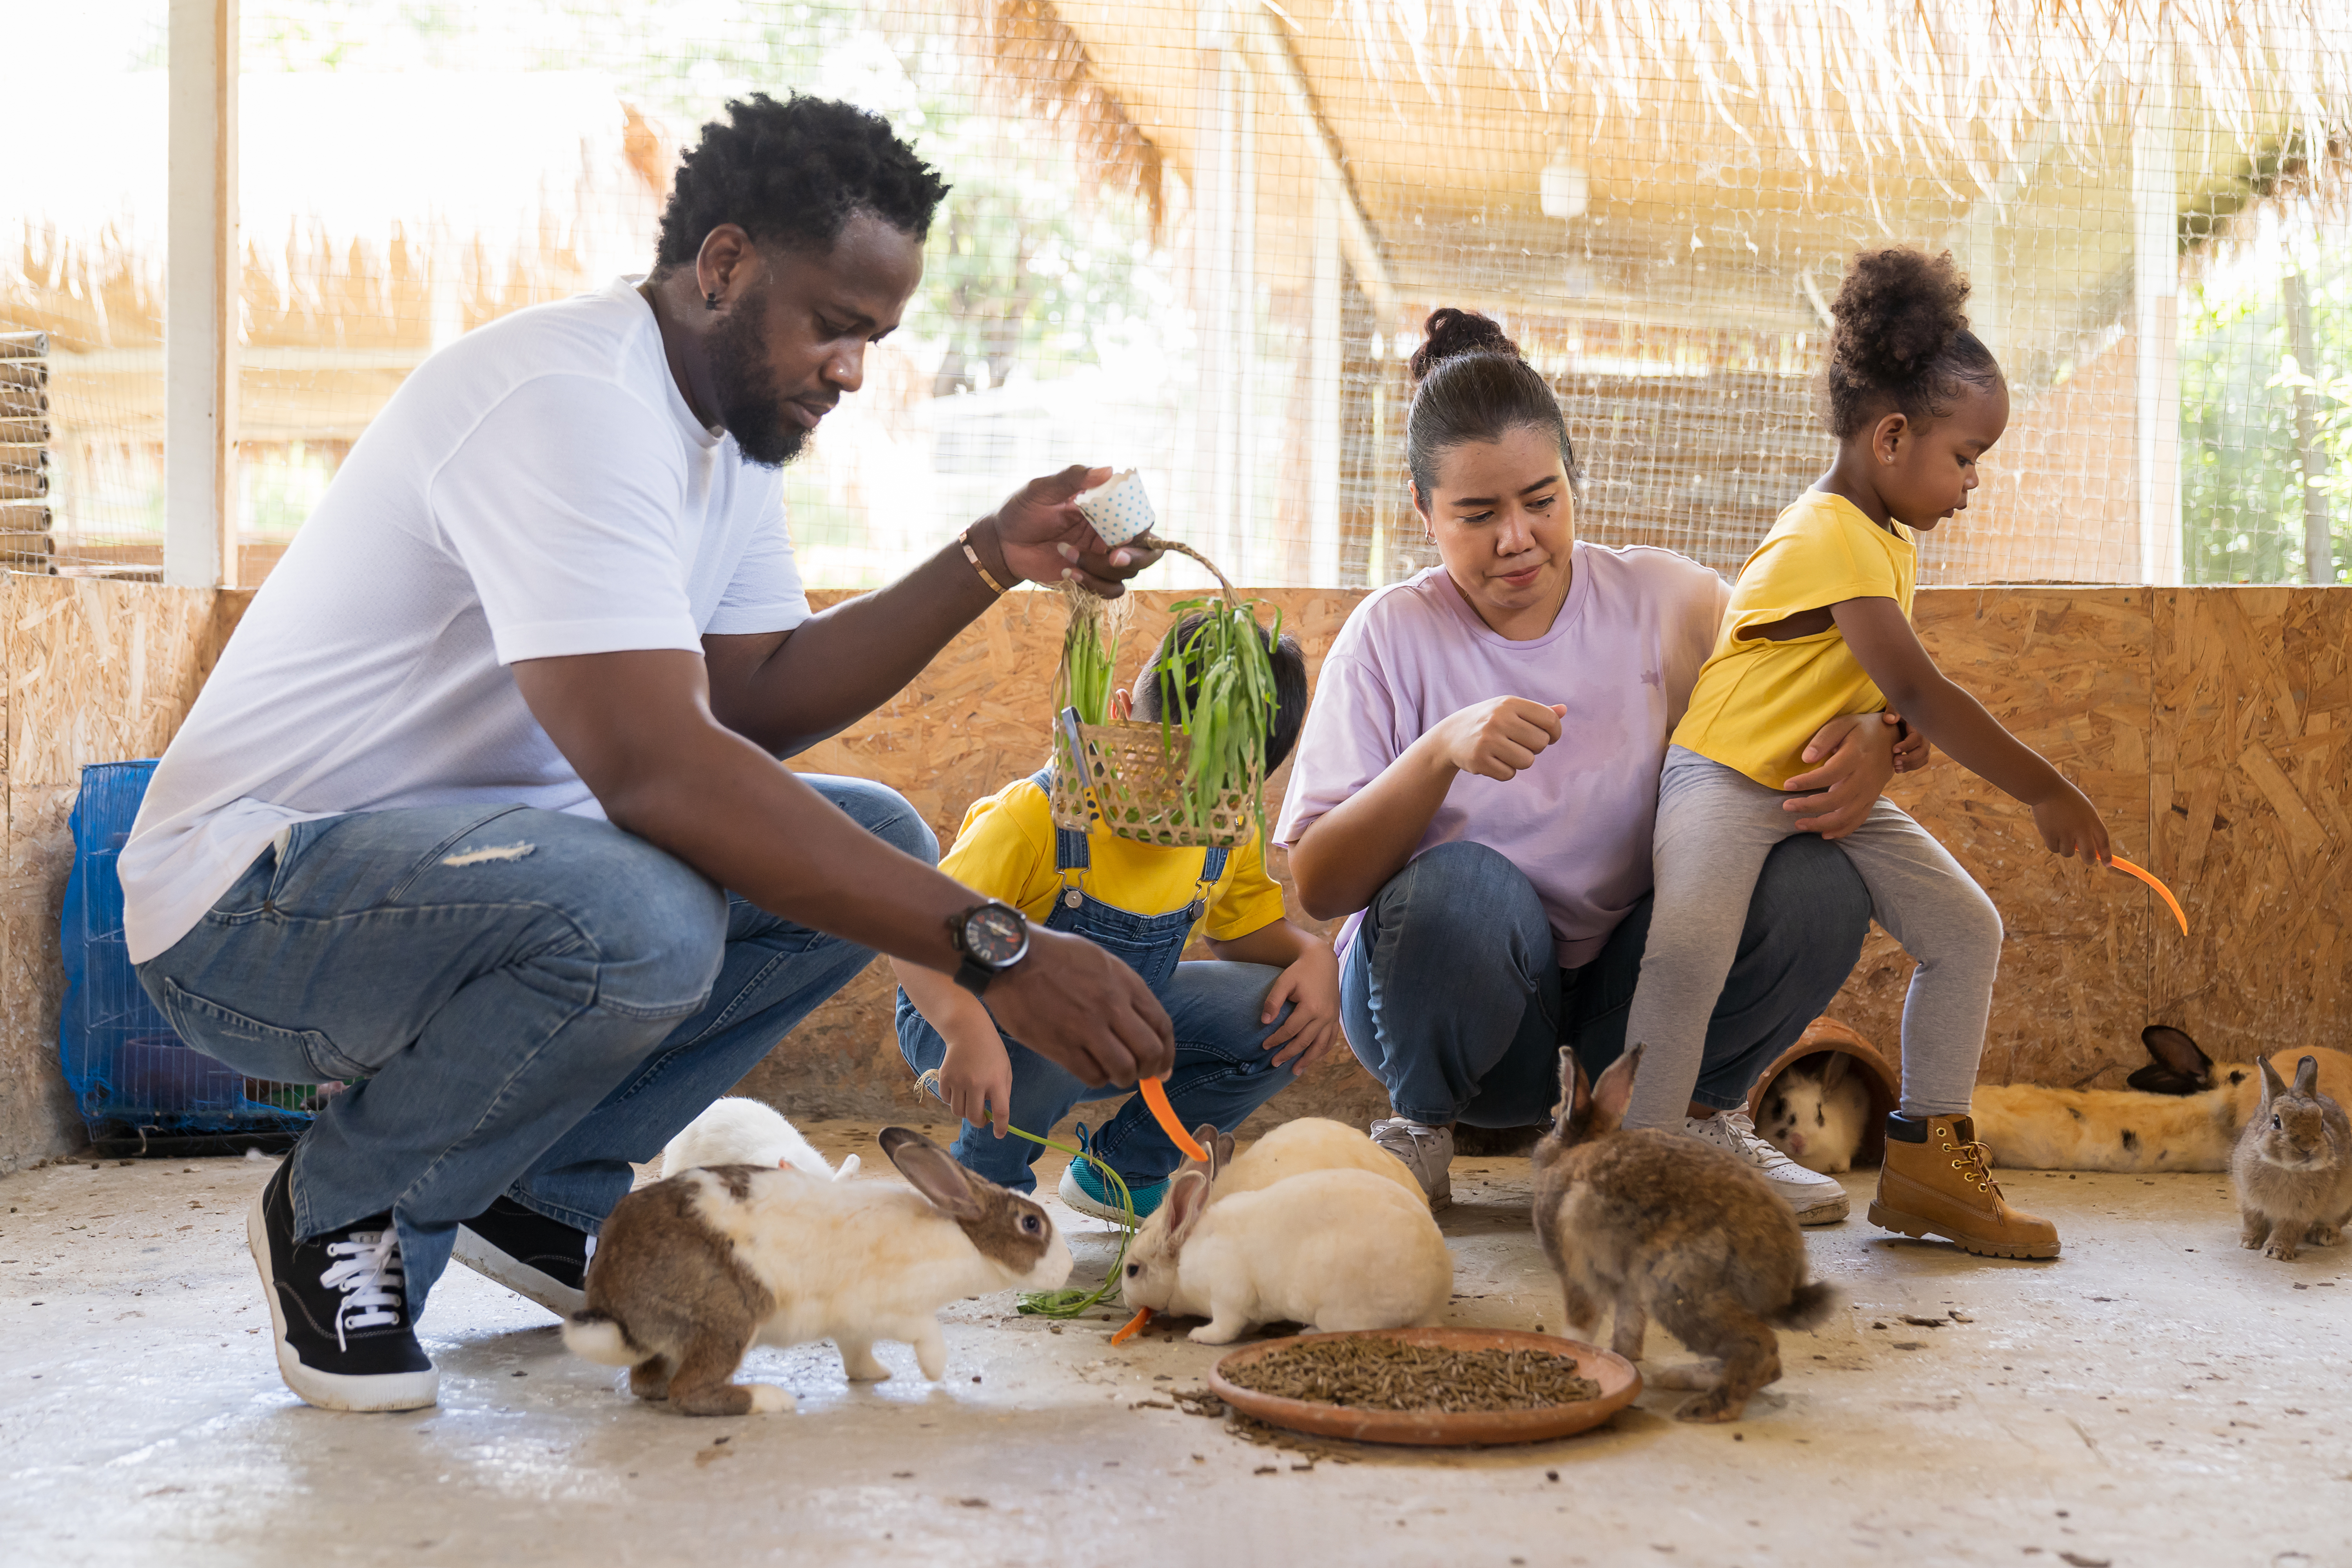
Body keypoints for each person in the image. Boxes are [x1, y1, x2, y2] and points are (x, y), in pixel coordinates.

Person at [120, 94, 1176, 1414]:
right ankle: (348, 1207)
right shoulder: (570, 401)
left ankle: (539, 1182)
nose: (853, 368)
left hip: (471, 886)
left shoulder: (732, 443)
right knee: (647, 914)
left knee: (875, 844)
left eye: (875, 337)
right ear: (724, 265)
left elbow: (754, 701)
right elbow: (657, 772)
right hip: (255, 903)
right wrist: (992, 944)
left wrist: (987, 562)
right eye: (834, 324)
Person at [1279, 308, 1920, 1220]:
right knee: (1459, 886)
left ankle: (1695, 1121)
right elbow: (1320, 880)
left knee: (1821, 877)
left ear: (1576, 481)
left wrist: (1880, 733)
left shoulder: (1669, 601)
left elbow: (1822, 669)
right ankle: (1418, 1134)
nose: (1517, 538)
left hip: (1638, 1021)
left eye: (1542, 500)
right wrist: (1438, 753)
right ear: (1424, 513)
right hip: (1466, 1030)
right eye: (1476, 513)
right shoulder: (1389, 635)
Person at [1619, 247, 2103, 1259]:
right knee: (1690, 951)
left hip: (1806, 782)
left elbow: (1882, 686)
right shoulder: (1828, 530)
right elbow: (1921, 682)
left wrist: (1894, 730)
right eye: (1967, 456)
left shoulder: (1888, 538)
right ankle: (1641, 1171)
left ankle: (1928, 1165)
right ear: (1892, 436)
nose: (1973, 483)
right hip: (1721, 774)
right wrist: (2045, 790)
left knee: (1966, 930)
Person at [893, 614, 1336, 1220]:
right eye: (1172, 769)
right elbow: (921, 933)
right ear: (1124, 713)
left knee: (1285, 1015)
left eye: (1221, 785)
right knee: (1061, 1005)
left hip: (1109, 1022)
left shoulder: (1229, 830)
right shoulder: (1036, 820)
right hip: (958, 1009)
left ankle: (1123, 1173)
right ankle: (983, 1191)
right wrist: (964, 1028)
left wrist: (1315, 955)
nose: (1188, 802)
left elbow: (1242, 932)